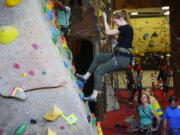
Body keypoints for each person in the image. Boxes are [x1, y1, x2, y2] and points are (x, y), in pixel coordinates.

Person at [75, 10, 134, 102]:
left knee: (99, 72)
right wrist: (112, 35)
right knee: (98, 57)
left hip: (121, 59)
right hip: (117, 55)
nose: (116, 24)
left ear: (121, 19)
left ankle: (94, 96)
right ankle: (85, 77)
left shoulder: (126, 28)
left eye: (116, 21)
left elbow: (107, 32)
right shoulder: (125, 29)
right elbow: (117, 42)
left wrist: (105, 18)